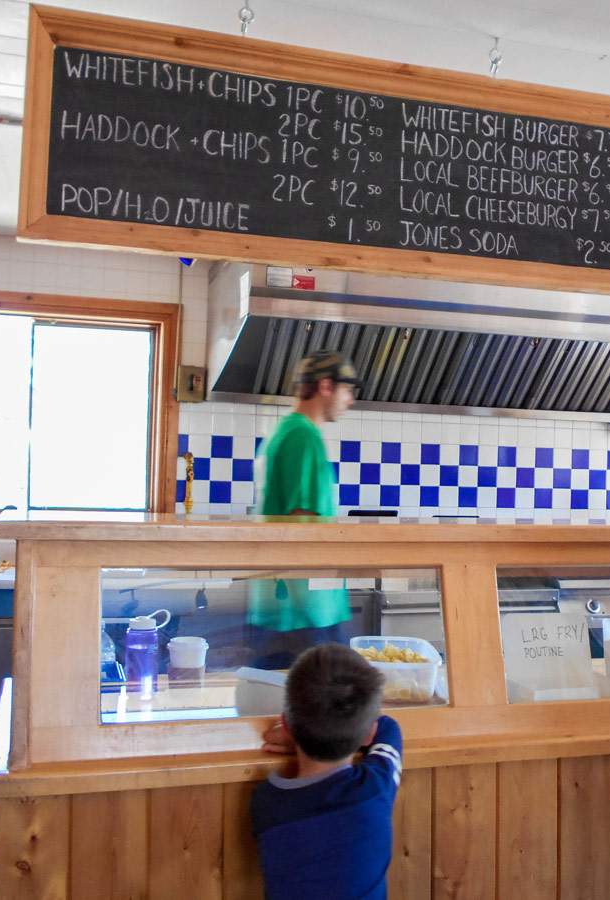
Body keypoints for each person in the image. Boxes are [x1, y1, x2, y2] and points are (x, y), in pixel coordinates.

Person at [251, 643, 403, 900]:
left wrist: (302, 733)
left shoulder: (266, 803)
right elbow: (389, 728)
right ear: (368, 735)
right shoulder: (374, 788)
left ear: (286, 726)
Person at [248, 350, 360, 668]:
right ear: (326, 386)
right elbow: (301, 523)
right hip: (304, 613)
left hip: (288, 606)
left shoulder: (285, 431)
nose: (350, 400)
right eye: (348, 389)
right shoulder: (303, 436)